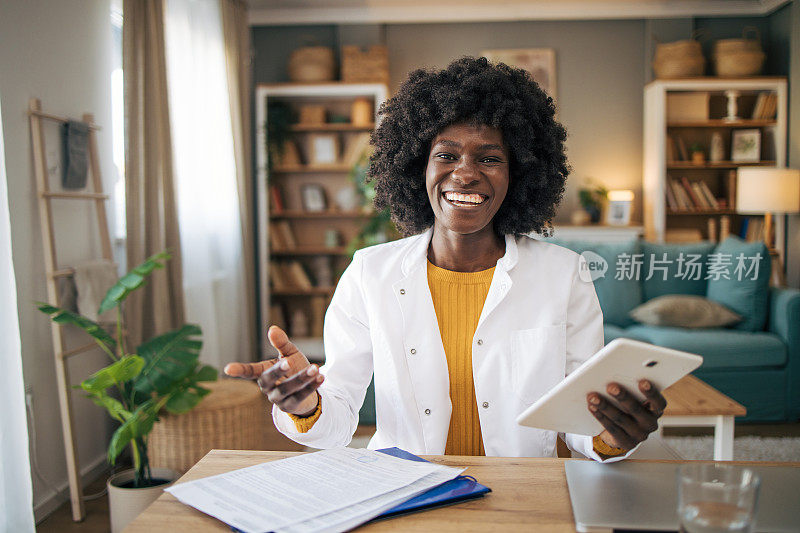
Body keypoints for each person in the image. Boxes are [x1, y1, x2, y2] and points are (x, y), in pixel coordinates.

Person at [226, 57, 666, 460]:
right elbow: (336, 424)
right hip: (408, 491)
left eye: (490, 158)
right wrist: (306, 405)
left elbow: (580, 423)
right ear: (418, 166)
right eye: (447, 155)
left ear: (519, 175)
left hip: (521, 492)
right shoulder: (369, 273)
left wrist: (613, 434)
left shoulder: (564, 274)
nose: (466, 173)